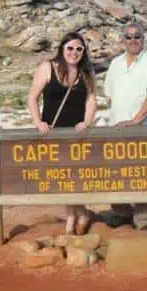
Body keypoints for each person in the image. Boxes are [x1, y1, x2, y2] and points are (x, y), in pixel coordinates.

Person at [26, 32, 97, 235]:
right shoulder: (47, 68)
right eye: (70, 48)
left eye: (79, 49)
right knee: (62, 176)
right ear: (62, 48)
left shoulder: (86, 73)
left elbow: (91, 99)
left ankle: (73, 217)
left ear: (83, 52)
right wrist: (38, 122)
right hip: (54, 132)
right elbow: (32, 97)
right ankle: (78, 214)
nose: (74, 52)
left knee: (74, 176)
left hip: (77, 133)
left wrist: (87, 121)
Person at [104, 23, 147, 228]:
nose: (133, 41)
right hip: (116, 129)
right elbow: (110, 96)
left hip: (143, 129)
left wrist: (136, 120)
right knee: (115, 174)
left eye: (137, 37)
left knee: (141, 176)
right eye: (128, 37)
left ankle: (142, 221)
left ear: (143, 39)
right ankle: (122, 214)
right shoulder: (115, 64)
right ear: (123, 40)